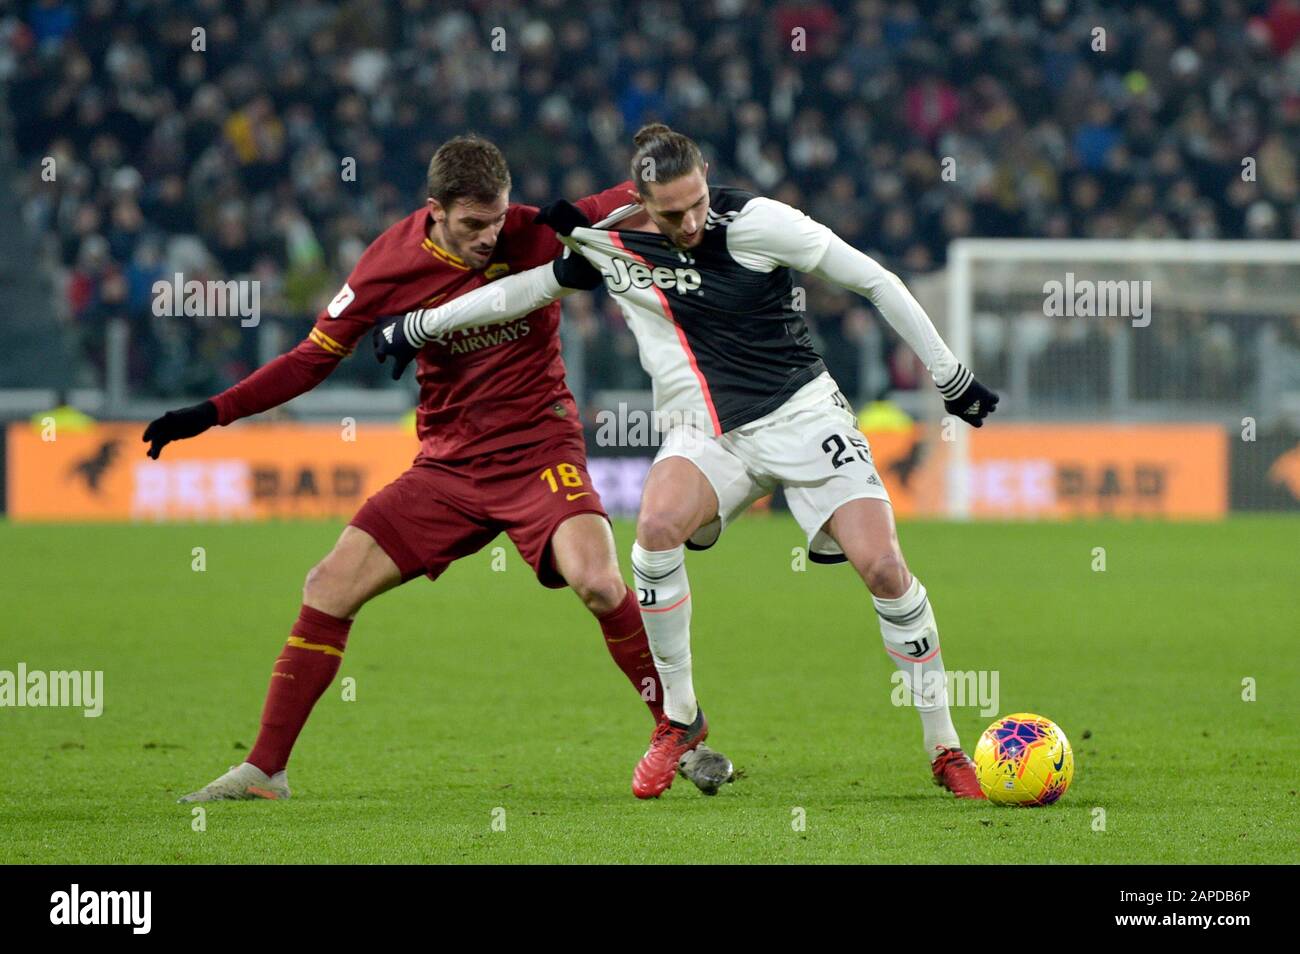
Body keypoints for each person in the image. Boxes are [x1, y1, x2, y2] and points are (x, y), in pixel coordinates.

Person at [397, 123, 999, 799]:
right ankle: (680, 719)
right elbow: (524, 290)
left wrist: (951, 378)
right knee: (654, 529)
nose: (687, 222)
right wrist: (417, 326)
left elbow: (876, 281)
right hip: (706, 431)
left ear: (706, 175)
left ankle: (945, 749)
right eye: (670, 211)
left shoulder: (760, 224)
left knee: (885, 568)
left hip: (803, 414)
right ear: (641, 197)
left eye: (695, 203)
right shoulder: (614, 238)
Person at [144, 134, 733, 801]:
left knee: (598, 582)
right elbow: (312, 359)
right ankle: (265, 771)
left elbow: (647, 197)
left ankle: (677, 726)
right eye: (472, 225)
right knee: (328, 585)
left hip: (540, 452)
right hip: (447, 467)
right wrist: (212, 413)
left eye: (495, 219)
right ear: (435, 211)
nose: (489, 237)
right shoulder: (387, 265)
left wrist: (686, 188)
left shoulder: (532, 231)